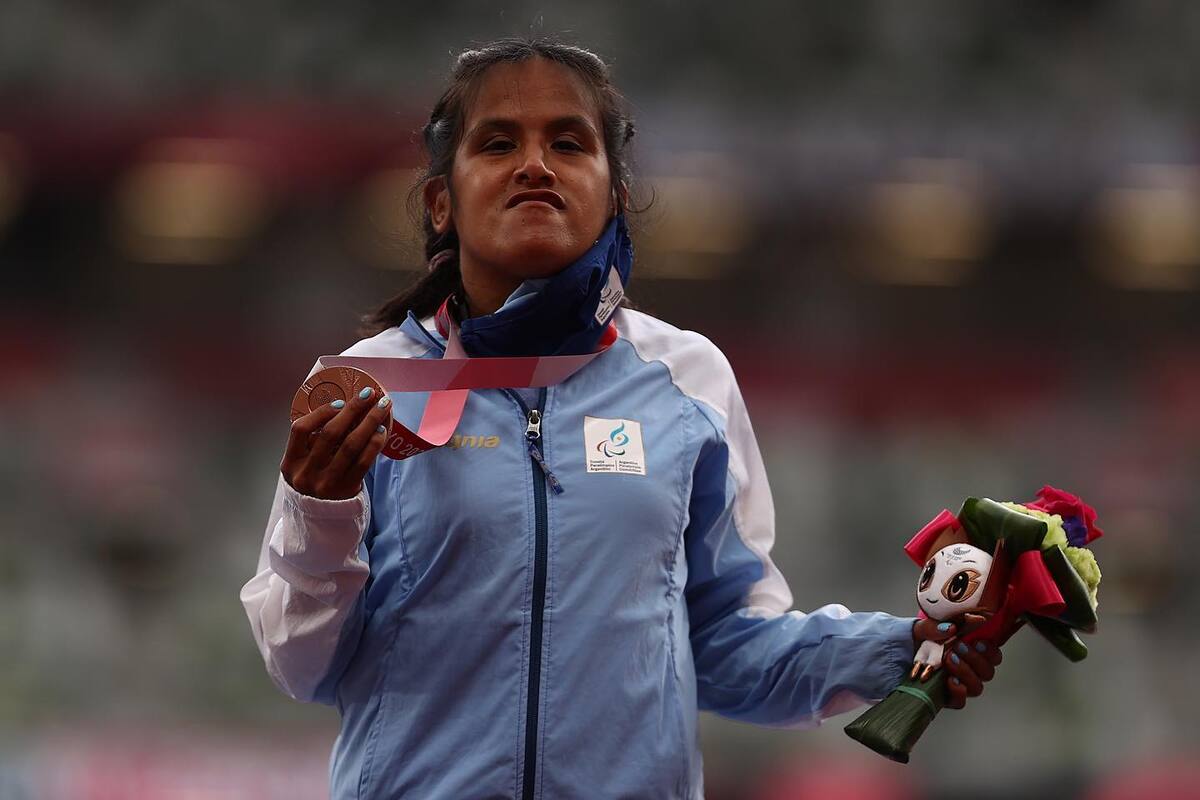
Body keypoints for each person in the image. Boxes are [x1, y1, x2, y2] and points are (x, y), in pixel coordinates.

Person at [240, 37, 1002, 799]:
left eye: (567, 143)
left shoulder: (687, 381)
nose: (534, 165)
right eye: (498, 143)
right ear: (443, 200)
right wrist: (321, 517)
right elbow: (301, 666)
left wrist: (898, 650)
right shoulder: (368, 385)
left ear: (612, 192)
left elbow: (727, 644)